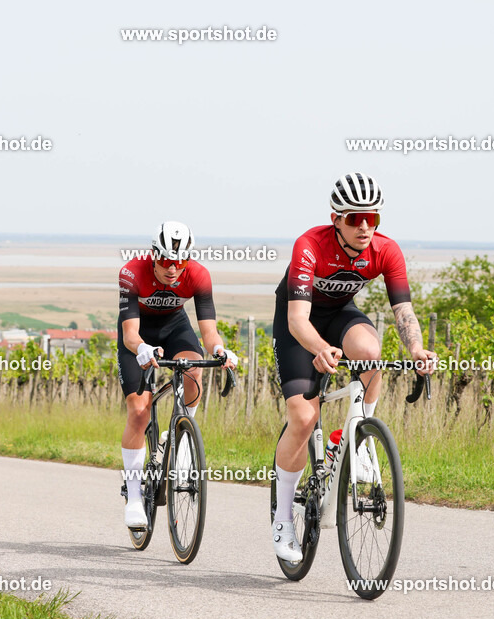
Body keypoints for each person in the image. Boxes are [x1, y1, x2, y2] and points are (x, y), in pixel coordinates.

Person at [270, 173, 436, 562]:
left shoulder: (385, 250)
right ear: (336, 219)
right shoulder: (310, 245)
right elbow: (297, 319)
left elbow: (403, 310)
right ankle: (283, 518)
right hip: (299, 322)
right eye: (354, 218)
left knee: (369, 351)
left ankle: (357, 439)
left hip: (340, 315)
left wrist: (417, 349)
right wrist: (320, 348)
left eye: (372, 218)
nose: (364, 227)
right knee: (303, 416)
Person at [117, 221, 236, 528]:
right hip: (140, 333)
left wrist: (220, 349)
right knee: (139, 411)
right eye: (167, 261)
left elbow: (208, 332)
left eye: (180, 262)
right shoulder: (132, 272)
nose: (173, 269)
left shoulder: (198, 275)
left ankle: (181, 434)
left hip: (175, 327)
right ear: (154, 255)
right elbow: (130, 332)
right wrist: (142, 347)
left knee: (193, 368)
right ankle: (133, 496)